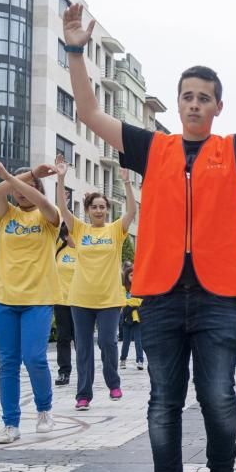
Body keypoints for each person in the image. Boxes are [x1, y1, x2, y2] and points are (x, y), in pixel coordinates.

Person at [62, 1, 236, 472]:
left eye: (204, 98)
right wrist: (77, 52)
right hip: (162, 294)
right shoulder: (152, 147)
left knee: (220, 397)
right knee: (162, 402)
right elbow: (87, 112)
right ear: (177, 104)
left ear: (218, 106)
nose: (194, 105)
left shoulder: (233, 150)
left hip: (220, 295)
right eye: (187, 97)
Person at [0, 158, 62, 444]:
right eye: (16, 187)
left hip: (38, 297)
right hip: (4, 296)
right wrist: (26, 175)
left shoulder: (48, 217)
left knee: (34, 358)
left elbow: (44, 204)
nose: (20, 191)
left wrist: (15, 177)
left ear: (38, 188)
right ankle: (10, 423)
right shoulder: (6, 215)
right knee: (8, 363)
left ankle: (44, 410)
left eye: (29, 186)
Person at [55, 164, 134, 410]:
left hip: (109, 299)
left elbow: (131, 211)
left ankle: (113, 383)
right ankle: (83, 394)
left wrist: (128, 183)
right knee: (84, 347)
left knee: (108, 343)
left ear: (107, 210)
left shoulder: (115, 230)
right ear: (88, 210)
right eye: (94, 207)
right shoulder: (79, 229)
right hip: (80, 298)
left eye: (102, 207)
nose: (98, 210)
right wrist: (60, 179)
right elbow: (63, 209)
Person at [54, 222, 77, 386]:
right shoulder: (58, 248)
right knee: (63, 338)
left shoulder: (84, 250)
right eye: (69, 234)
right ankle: (64, 372)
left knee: (81, 340)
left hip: (80, 302)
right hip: (61, 300)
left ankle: (85, 371)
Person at [120, 266, 144, 371]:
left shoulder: (139, 287)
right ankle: (123, 360)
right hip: (126, 318)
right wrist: (133, 302)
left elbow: (141, 301)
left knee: (139, 341)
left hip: (137, 318)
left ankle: (140, 360)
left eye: (135, 275)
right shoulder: (123, 288)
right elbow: (122, 301)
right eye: (131, 275)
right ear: (127, 276)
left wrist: (132, 302)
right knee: (126, 341)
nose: (133, 277)